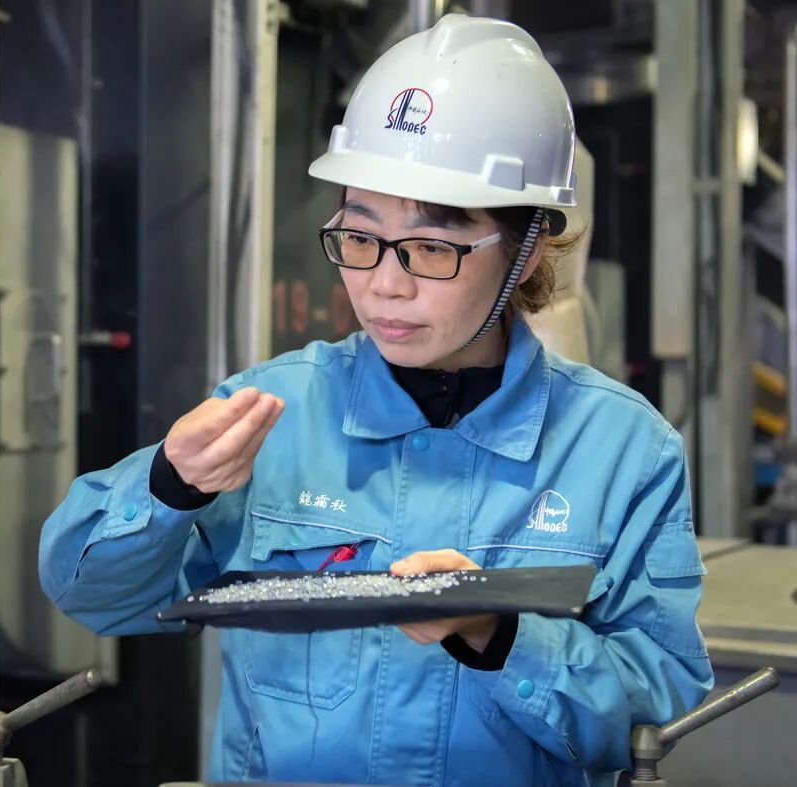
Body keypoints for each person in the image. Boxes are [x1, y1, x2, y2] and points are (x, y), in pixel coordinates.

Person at [39, 14, 713, 786]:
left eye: (431, 247)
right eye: (360, 239)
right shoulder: (273, 413)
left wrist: (502, 635)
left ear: (528, 247)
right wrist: (167, 487)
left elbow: (658, 704)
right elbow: (91, 596)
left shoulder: (622, 450)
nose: (385, 285)